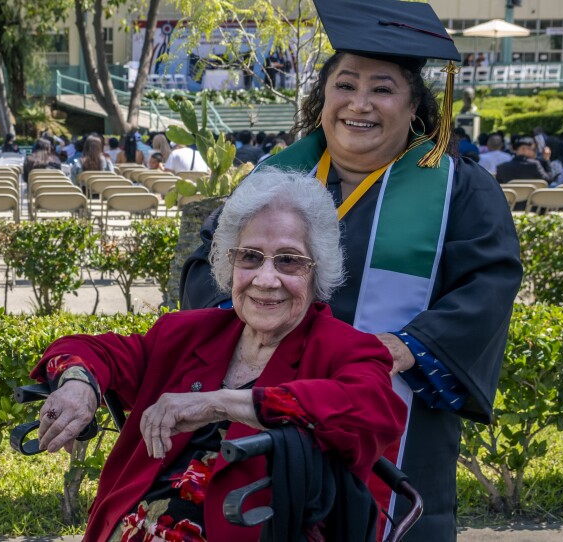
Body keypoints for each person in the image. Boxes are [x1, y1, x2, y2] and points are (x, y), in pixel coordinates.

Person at [178, 0, 523, 539]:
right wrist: (244, 324)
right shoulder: (274, 177)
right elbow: (207, 263)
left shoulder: (459, 188)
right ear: (322, 98)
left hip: (389, 411)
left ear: (415, 107)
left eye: (383, 89)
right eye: (345, 85)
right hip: (264, 410)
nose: (359, 104)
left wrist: (411, 346)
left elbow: (490, 283)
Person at [32, 168, 408, 541]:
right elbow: (91, 350)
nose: (265, 279)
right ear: (231, 265)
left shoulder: (347, 350)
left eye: (288, 260)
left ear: (317, 270)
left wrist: (220, 404)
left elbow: (373, 411)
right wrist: (79, 384)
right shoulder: (187, 333)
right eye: (250, 257)